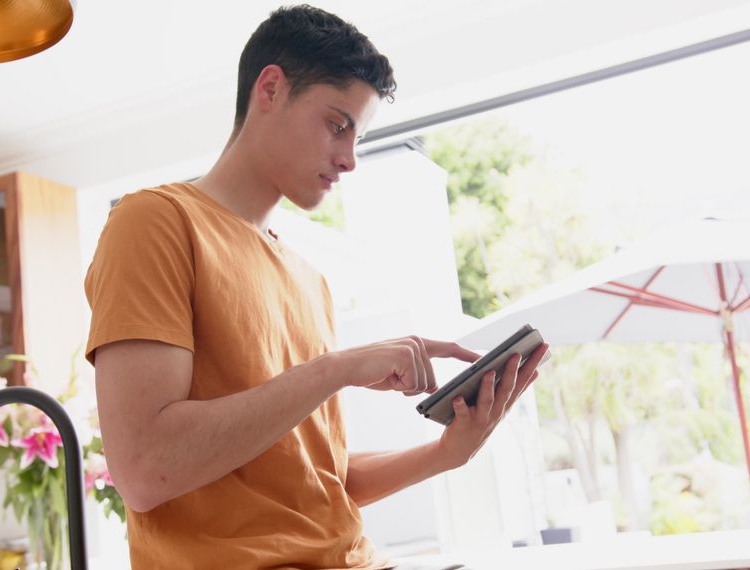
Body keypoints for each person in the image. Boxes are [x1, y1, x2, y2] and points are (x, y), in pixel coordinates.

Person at [84, 4, 549, 569]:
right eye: (337, 124)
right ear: (271, 88)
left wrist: (444, 454)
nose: (350, 158)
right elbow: (145, 469)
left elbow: (315, 481)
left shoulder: (311, 283)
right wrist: (338, 369)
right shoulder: (155, 222)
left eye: (359, 133)